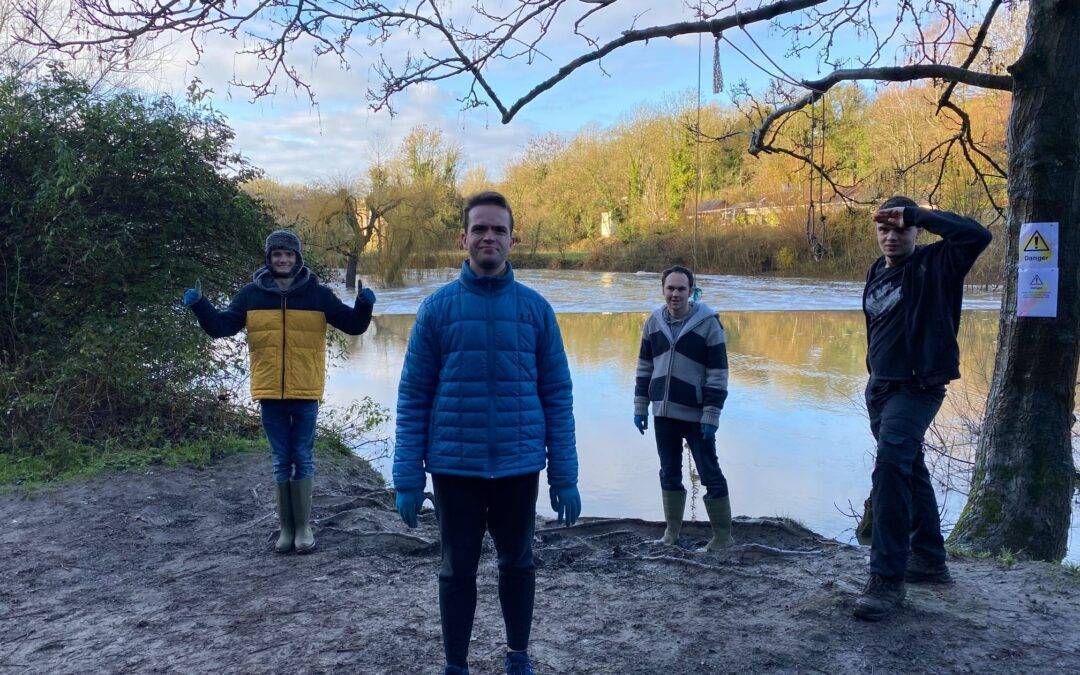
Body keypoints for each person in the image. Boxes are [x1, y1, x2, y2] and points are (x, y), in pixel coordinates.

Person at [393, 191, 580, 675]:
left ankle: (518, 655)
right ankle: (456, 664)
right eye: (480, 229)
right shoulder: (436, 310)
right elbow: (413, 397)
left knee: (518, 565)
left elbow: (558, 395)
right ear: (464, 238)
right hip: (455, 467)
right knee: (456, 571)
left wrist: (565, 476)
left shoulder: (537, 311)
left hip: (519, 465)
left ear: (513, 240)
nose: (489, 237)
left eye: (498, 229)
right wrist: (408, 477)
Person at [182, 230, 376, 554]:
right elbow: (220, 328)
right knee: (280, 459)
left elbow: (354, 326)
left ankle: (303, 529)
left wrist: (363, 305)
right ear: (269, 259)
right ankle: (285, 529)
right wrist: (200, 305)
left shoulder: (318, 295)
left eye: (288, 254)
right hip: (269, 389)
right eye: (277, 255)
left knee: (302, 456)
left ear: (297, 259)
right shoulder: (250, 296)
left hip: (305, 389)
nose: (282, 260)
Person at [853, 197, 992, 621]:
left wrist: (921, 215)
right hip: (881, 387)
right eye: (884, 230)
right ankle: (929, 558)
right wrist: (873, 377)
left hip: (918, 387)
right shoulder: (877, 271)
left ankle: (886, 580)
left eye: (900, 229)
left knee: (891, 465)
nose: (892, 237)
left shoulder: (939, 264)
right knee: (910, 466)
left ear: (915, 232)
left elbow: (978, 235)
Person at [633, 265, 732, 552]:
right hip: (663, 414)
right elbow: (644, 367)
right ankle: (671, 534)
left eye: (681, 289)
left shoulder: (709, 323)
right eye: (670, 288)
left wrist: (712, 413)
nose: (675, 294)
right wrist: (641, 405)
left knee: (709, 472)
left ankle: (723, 538)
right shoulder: (653, 322)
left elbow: (718, 373)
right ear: (662, 289)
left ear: (691, 291)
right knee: (669, 473)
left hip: (697, 415)